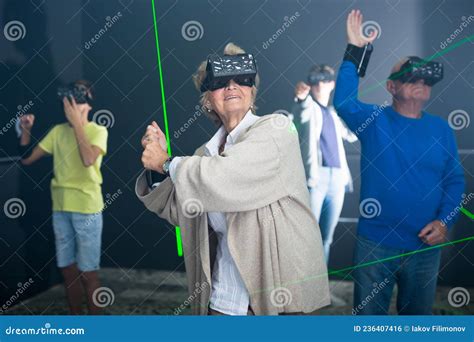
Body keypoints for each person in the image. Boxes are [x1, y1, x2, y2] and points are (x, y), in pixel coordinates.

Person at [135, 43, 330, 315]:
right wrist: (158, 166)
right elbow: (178, 208)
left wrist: (167, 163)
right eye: (220, 81)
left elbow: (227, 176)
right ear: (206, 99)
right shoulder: (204, 155)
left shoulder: (276, 129)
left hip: (276, 298)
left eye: (242, 79)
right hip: (222, 298)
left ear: (252, 90)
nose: (232, 86)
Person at [333, 10, 465, 315]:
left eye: (424, 78)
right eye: (409, 76)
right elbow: (343, 102)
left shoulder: (441, 129)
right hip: (375, 245)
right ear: (392, 87)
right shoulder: (374, 121)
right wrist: (356, 51)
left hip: (424, 249)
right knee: (369, 324)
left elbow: (454, 181)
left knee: (416, 324)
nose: (419, 81)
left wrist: (445, 220)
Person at [19, 80, 108, 315]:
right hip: (61, 209)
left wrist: (77, 123)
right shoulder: (58, 132)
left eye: (80, 95)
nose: (75, 101)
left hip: (87, 209)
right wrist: (26, 130)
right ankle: (76, 323)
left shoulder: (98, 131)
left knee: (88, 272)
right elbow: (27, 159)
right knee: (68, 271)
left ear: (89, 102)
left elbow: (88, 159)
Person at [293, 64, 357, 264]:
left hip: (337, 180)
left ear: (332, 84)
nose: (321, 83)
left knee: (326, 239)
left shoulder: (335, 113)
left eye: (326, 79)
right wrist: (301, 98)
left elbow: (353, 135)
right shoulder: (309, 107)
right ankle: (302, 288)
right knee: (306, 238)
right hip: (315, 179)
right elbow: (300, 114)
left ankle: (321, 287)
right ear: (311, 84)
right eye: (317, 79)